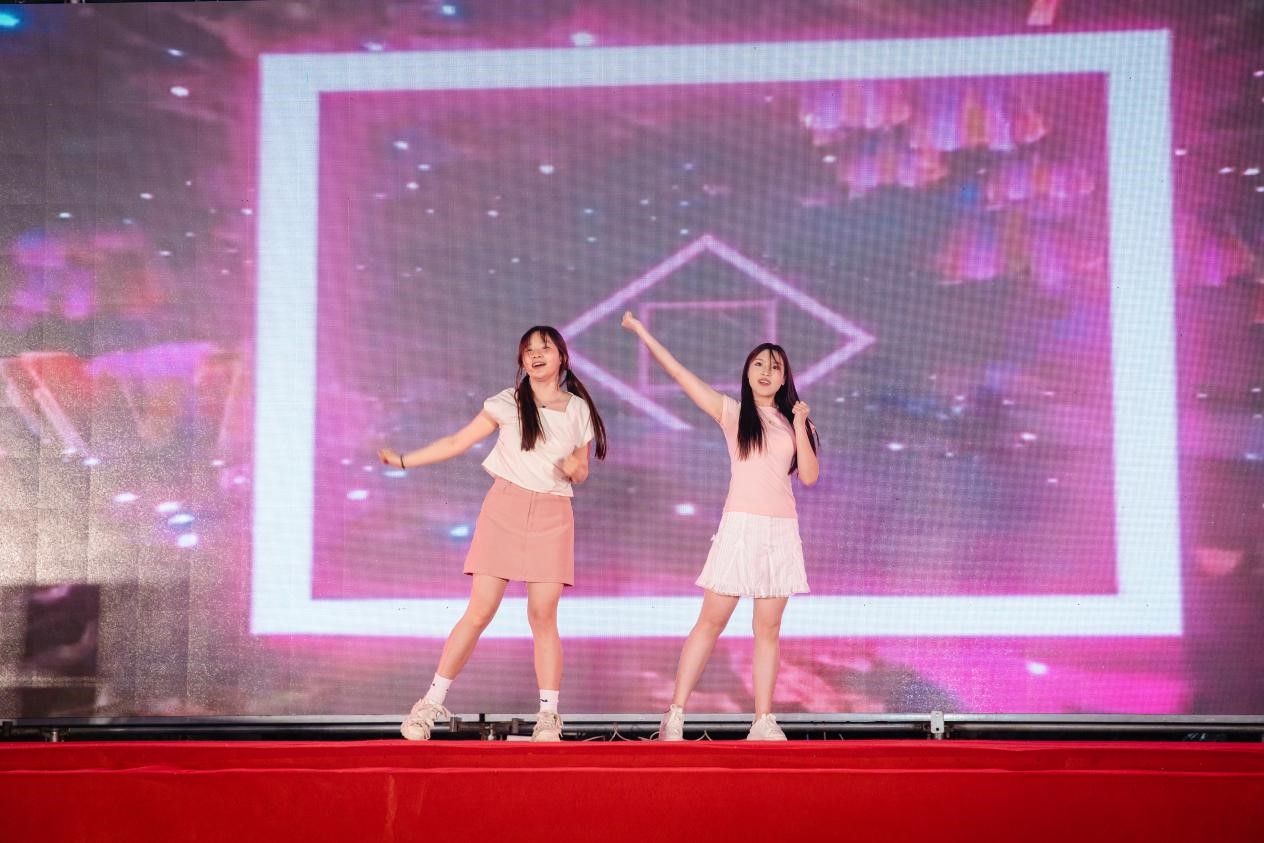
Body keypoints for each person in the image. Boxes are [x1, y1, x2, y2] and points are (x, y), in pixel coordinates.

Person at [378, 326, 607, 742]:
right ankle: (429, 705)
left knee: (543, 616)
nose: (536, 355)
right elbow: (457, 441)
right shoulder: (506, 402)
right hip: (504, 508)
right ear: (521, 361)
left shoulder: (578, 410)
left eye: (544, 348)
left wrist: (576, 469)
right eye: (528, 350)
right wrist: (404, 460)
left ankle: (548, 716)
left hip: (553, 514)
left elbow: (582, 468)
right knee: (480, 610)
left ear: (561, 357)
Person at [621, 311, 818, 741]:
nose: (766, 372)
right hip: (740, 529)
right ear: (747, 372)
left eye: (775, 367)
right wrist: (642, 332)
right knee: (711, 622)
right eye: (759, 364)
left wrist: (802, 424)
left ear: (784, 378)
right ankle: (675, 713)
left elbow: (808, 475)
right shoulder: (733, 413)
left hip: (780, 533)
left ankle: (763, 720)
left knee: (768, 631)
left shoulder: (793, 422)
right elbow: (680, 373)